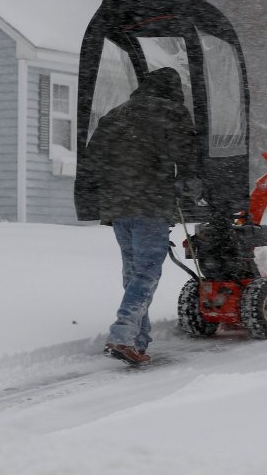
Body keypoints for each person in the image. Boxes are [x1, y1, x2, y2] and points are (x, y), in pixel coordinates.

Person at [79, 67, 200, 366]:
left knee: (134, 273)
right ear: (174, 90)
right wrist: (190, 187)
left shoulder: (116, 115)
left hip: (117, 205)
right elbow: (187, 159)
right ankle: (122, 334)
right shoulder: (172, 113)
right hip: (151, 203)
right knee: (147, 272)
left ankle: (137, 342)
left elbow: (91, 159)